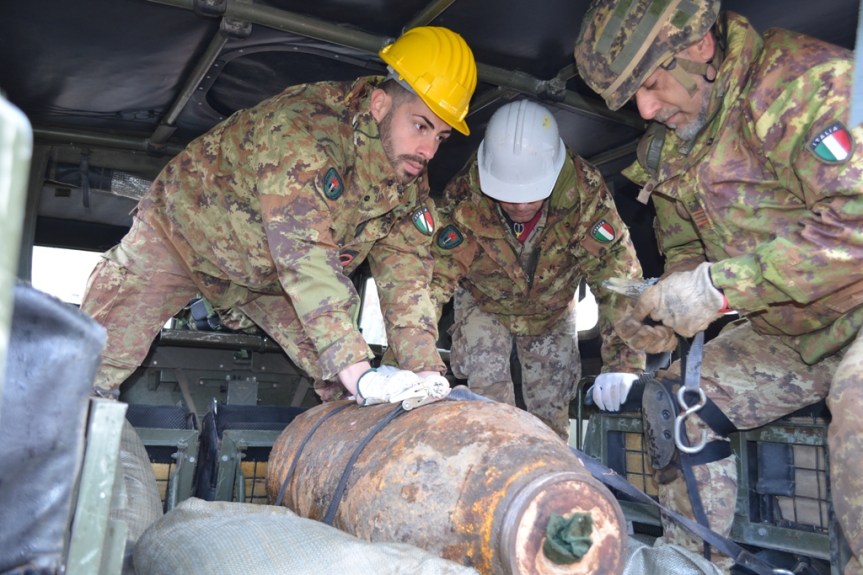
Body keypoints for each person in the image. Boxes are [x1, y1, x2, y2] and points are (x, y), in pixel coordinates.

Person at [575, 1, 863, 572]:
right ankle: (689, 561)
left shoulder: (803, 85)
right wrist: (664, 309)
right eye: (635, 97)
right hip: (790, 329)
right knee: (676, 402)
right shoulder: (669, 146)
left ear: (700, 49)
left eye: (653, 84)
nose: (647, 109)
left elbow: (855, 221)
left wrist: (719, 290)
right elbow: (687, 250)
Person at [80, 26, 478, 409]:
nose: (428, 150)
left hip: (269, 276)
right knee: (89, 372)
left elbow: (407, 276)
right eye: (421, 126)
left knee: (344, 391)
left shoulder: (407, 179)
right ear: (380, 104)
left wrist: (424, 370)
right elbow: (305, 254)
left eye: (440, 137)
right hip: (182, 239)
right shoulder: (303, 128)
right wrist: (357, 371)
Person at [428, 99, 646, 440]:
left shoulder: (584, 194)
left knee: (550, 417)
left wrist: (624, 363)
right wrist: (412, 362)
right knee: (487, 410)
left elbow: (616, 278)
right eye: (508, 195)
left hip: (552, 308)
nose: (519, 205)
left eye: (531, 196)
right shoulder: (464, 196)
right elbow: (433, 280)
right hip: (485, 303)